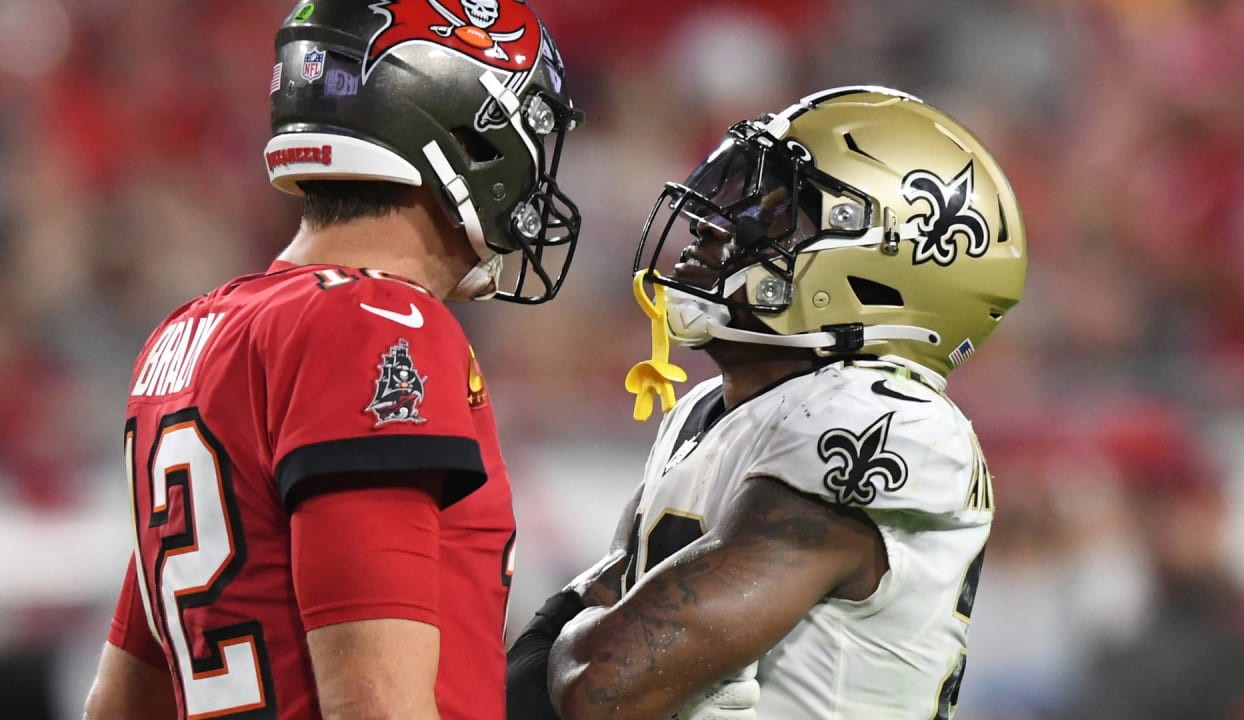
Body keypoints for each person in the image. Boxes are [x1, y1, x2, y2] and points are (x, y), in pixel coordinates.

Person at [83, 1, 582, 718]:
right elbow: (375, 705)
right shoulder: (376, 323)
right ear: (469, 136)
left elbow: (121, 705)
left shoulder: (191, 332)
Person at [507, 86, 1027, 719]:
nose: (715, 221)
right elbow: (540, 677)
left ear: (877, 261)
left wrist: (580, 640)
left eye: (776, 209)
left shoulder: (890, 418)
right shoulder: (707, 413)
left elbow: (604, 682)